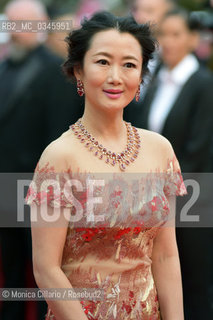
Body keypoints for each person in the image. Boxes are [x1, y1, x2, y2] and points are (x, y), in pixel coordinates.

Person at [26, 11, 187, 320]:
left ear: (140, 77)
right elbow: (46, 268)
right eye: (102, 62)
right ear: (79, 71)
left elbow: (165, 255)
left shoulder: (159, 149)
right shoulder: (59, 156)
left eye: (129, 64)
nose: (116, 76)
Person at [124, 8, 213, 319]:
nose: (169, 41)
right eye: (163, 34)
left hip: (192, 199)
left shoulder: (204, 83)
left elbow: (199, 151)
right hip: (153, 198)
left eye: (176, 34)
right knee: (159, 282)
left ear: (191, 38)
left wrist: (160, 194)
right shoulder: (157, 78)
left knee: (193, 283)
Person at [0, 1, 83, 319]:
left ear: (41, 25)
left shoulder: (56, 71)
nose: (14, 31)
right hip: (6, 189)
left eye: (21, 24)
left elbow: (59, 136)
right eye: (11, 24)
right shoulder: (6, 66)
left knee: (48, 273)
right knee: (11, 270)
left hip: (40, 191)